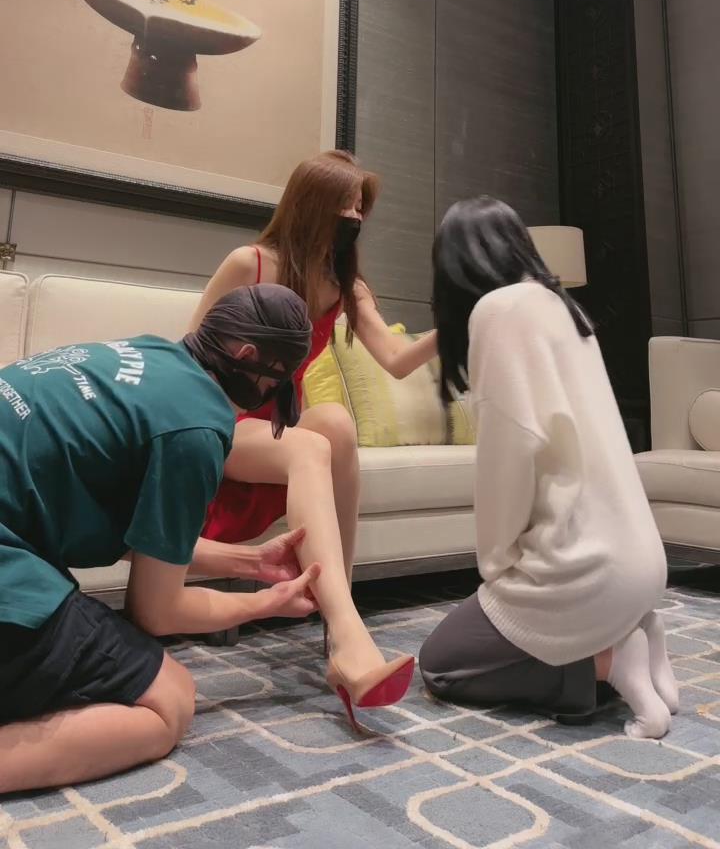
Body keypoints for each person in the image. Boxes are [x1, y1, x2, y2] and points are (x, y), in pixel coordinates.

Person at [0, 283, 413, 795]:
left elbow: (130, 534)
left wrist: (248, 562)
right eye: (275, 387)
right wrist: (264, 605)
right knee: (168, 701)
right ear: (248, 359)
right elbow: (156, 612)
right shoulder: (195, 428)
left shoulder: (144, 355)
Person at [419, 197, 678, 740]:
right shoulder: (564, 308)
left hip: (584, 570)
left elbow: (509, 455)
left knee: (442, 663)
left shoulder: (499, 312)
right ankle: (636, 629)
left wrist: (497, 564)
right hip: (643, 562)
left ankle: (608, 661)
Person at [192, 150, 437, 588]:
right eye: (345, 205)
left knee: (337, 422)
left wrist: (457, 324)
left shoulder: (345, 286)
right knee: (308, 444)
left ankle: (338, 590)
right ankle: (331, 595)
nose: (354, 217)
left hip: (281, 425)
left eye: (360, 208)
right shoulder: (251, 263)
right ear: (312, 204)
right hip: (225, 422)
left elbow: (396, 360)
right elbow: (190, 353)